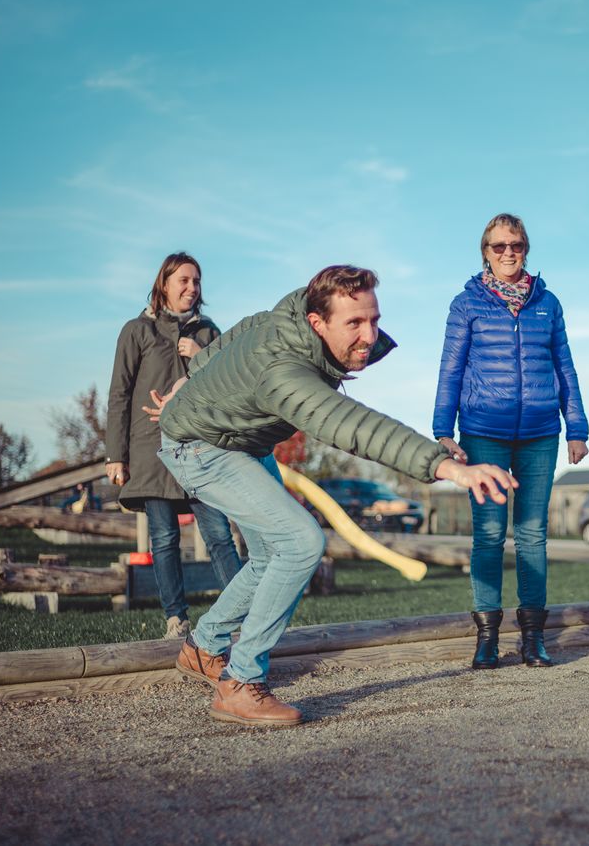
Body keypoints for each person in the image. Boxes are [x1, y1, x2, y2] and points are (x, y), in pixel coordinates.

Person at [154, 265, 516, 726]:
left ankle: (204, 647)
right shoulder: (285, 373)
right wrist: (441, 465)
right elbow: (351, 425)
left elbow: (239, 332)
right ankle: (240, 682)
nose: (370, 335)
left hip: (239, 440)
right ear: (316, 323)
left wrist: (193, 375)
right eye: (355, 325)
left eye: (374, 320)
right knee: (301, 541)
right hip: (198, 445)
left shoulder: (287, 312)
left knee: (270, 555)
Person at [432, 213, 589, 670]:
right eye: (499, 246)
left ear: (526, 250)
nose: (508, 253)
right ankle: (486, 639)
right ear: (485, 251)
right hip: (483, 433)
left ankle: (533, 639)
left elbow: (566, 368)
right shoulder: (466, 305)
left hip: (541, 433)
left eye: (516, 245)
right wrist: (444, 430)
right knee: (486, 535)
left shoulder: (548, 304)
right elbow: (451, 368)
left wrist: (576, 429)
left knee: (533, 535)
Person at [105, 252, 243, 640]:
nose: (192, 287)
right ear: (163, 284)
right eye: (183, 280)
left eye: (196, 281)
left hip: (202, 450)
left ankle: (241, 616)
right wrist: (116, 454)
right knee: (164, 538)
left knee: (218, 533)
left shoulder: (208, 333)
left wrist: (202, 358)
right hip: (152, 451)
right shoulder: (137, 331)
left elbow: (230, 388)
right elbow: (119, 393)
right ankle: (176, 620)